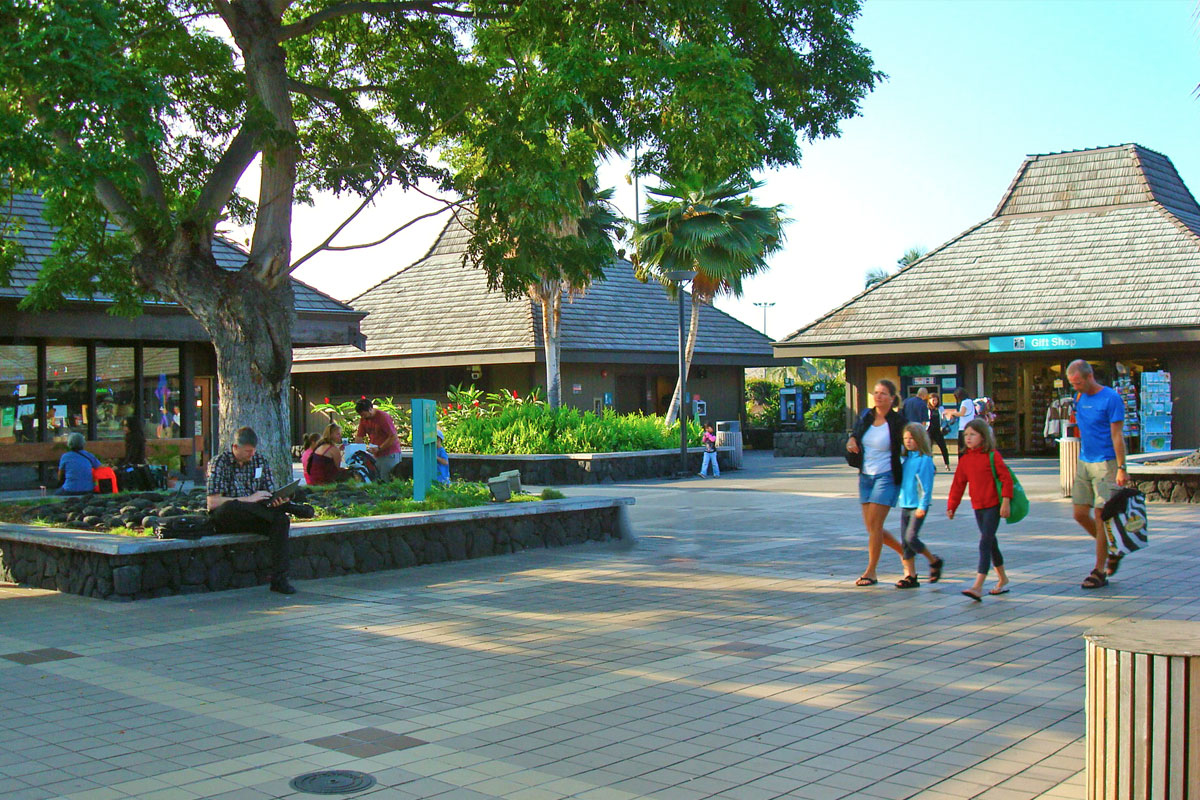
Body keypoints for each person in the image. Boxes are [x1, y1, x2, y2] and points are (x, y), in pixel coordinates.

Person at [206, 426, 312, 595]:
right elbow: (213, 503)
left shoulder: (260, 461)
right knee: (233, 506)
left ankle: (280, 579)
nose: (251, 454)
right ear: (235, 447)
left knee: (281, 520)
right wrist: (249, 499)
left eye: (253, 450)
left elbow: (267, 493)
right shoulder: (219, 463)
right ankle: (291, 508)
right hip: (229, 515)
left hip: (257, 512)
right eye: (247, 451)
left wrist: (276, 500)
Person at [1066, 359, 1128, 589]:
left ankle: (1099, 570)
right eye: (1072, 383)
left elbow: (1117, 435)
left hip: (1106, 462)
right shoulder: (1079, 398)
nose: (1075, 387)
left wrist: (1121, 468)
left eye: (1078, 382)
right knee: (1080, 513)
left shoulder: (1111, 398)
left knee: (1102, 515)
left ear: (1089, 376)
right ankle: (1112, 548)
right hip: (1085, 461)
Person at [845, 379, 906, 586]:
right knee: (872, 528)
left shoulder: (898, 422)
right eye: (876, 392)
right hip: (866, 476)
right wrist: (852, 441)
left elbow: (910, 442)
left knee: (876, 525)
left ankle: (871, 571)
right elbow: (855, 435)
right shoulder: (866, 416)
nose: (878, 396)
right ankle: (905, 553)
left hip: (886, 476)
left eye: (883, 393)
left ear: (892, 398)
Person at [947, 419, 1013, 601]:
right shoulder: (966, 460)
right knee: (991, 543)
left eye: (972, 435)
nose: (968, 438)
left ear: (983, 437)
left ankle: (978, 585)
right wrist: (952, 505)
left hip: (993, 506)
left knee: (985, 542)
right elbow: (958, 485)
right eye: (966, 435)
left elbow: (1006, 479)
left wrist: (1006, 501)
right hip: (978, 507)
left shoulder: (992, 456)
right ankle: (1003, 579)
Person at [895, 423, 944, 588]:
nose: (908, 442)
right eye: (905, 438)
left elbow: (926, 486)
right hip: (905, 504)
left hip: (917, 506)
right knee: (905, 542)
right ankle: (910, 575)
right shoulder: (905, 459)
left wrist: (923, 505)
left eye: (912, 438)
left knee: (911, 538)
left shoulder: (924, 460)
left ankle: (934, 560)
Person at [355, 399, 401, 481]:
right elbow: (359, 436)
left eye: (363, 414)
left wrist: (380, 448)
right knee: (375, 479)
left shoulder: (383, 417)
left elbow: (393, 436)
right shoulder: (363, 419)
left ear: (370, 409)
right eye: (361, 415)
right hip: (375, 454)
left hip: (389, 453)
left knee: (386, 480)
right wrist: (361, 450)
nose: (363, 417)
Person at [942, 387, 976, 458]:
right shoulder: (970, 401)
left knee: (961, 448)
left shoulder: (964, 402)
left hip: (963, 428)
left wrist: (953, 413)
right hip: (971, 426)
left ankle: (962, 462)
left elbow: (962, 413)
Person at [926, 394, 952, 469]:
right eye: (932, 400)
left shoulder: (940, 408)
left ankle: (947, 464)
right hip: (929, 430)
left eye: (936, 400)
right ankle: (929, 465)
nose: (934, 402)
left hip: (938, 430)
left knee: (943, 447)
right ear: (929, 400)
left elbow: (944, 419)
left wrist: (947, 419)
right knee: (928, 448)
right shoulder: (927, 408)